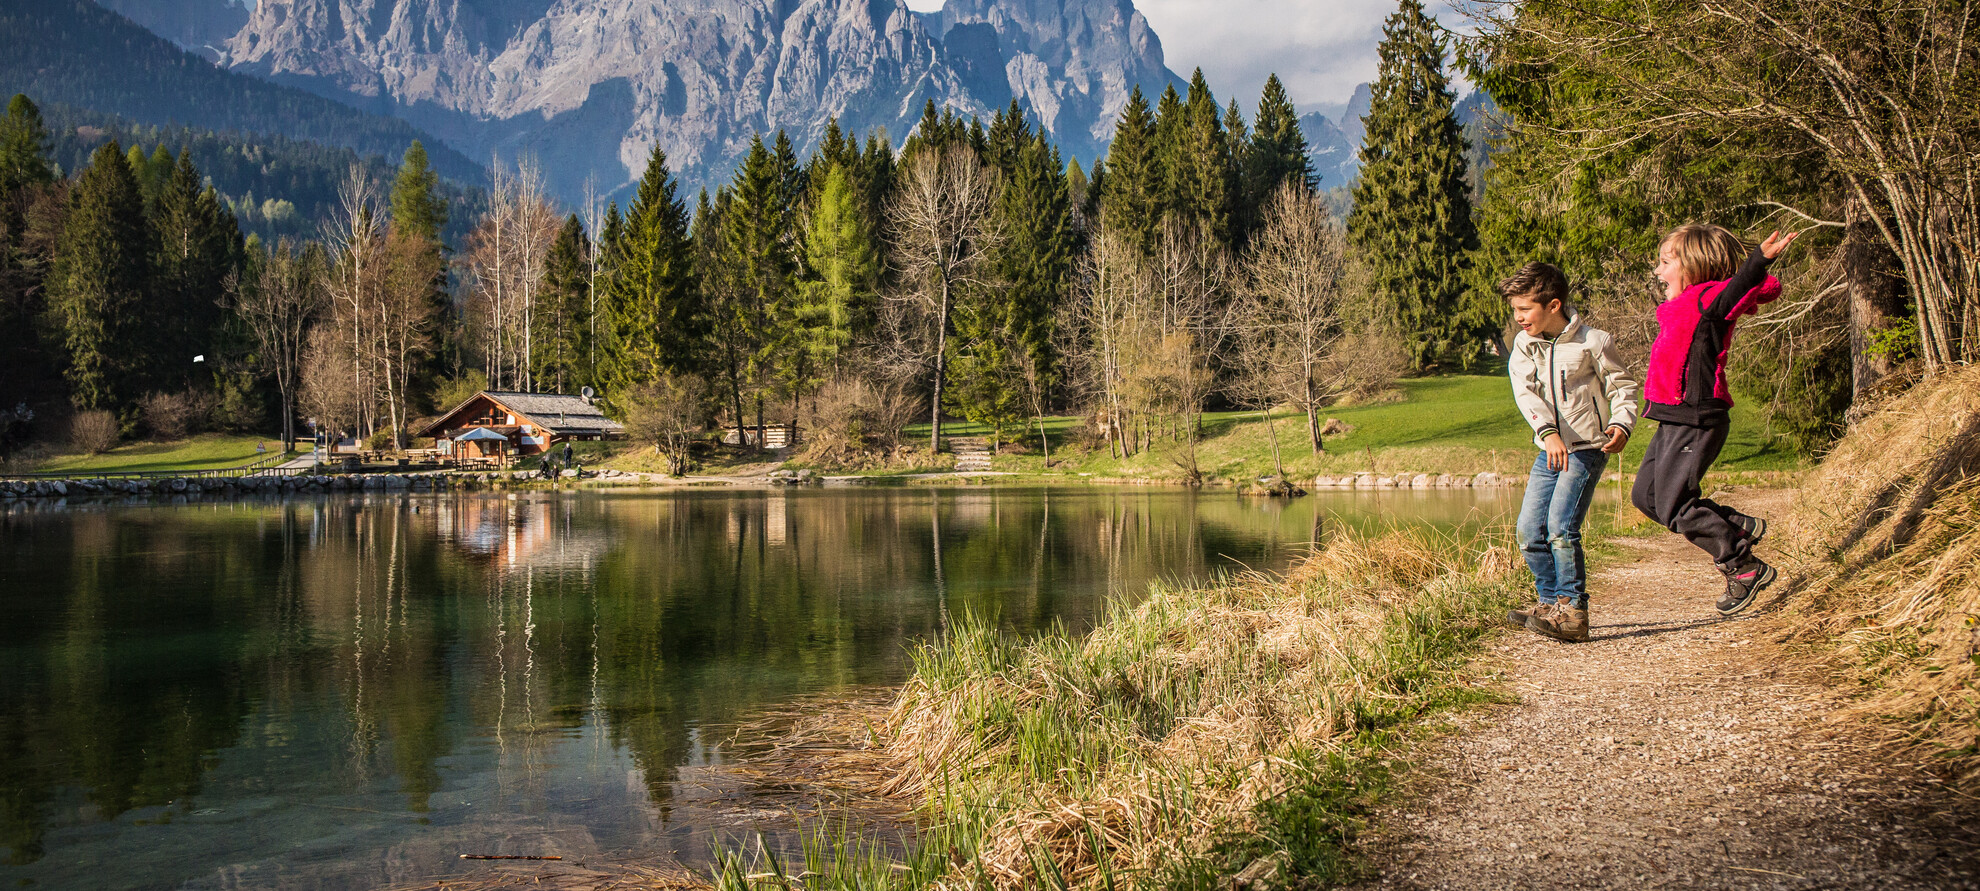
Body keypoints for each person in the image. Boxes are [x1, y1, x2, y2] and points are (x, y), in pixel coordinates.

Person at [1633, 224, 1796, 615]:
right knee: (1646, 498)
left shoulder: (1709, 299)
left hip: (1697, 418)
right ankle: (1734, 525)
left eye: (1666, 262)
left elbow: (1740, 287)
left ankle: (1741, 565)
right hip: (1673, 419)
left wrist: (1760, 259)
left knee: (1673, 506)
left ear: (1694, 265)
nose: (1658, 272)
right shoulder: (1680, 307)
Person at [1502, 262, 1640, 643]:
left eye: (1524, 309)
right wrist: (1546, 433)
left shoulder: (1593, 341)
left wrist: (1621, 423)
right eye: (1514, 310)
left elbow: (1623, 388)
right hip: (1550, 449)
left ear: (1553, 305)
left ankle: (1573, 611)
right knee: (1530, 531)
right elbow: (1525, 392)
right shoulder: (1524, 345)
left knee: (1562, 528)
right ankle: (1548, 603)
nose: (1518, 318)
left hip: (1587, 448)